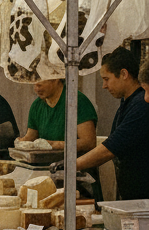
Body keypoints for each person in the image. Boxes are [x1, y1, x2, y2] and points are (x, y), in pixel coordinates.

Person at [70, 48, 149, 200]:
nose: (104, 86)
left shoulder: (141, 105)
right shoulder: (127, 103)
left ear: (124, 74)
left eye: (106, 79)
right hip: (132, 196)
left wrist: (72, 165)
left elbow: (110, 148)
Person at [19, 77, 97, 153]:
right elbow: (31, 137)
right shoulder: (36, 105)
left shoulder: (77, 101)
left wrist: (54, 145)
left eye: (40, 85)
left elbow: (88, 143)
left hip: (74, 164)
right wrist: (19, 142)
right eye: (34, 85)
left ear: (56, 78)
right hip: (45, 163)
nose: (36, 89)